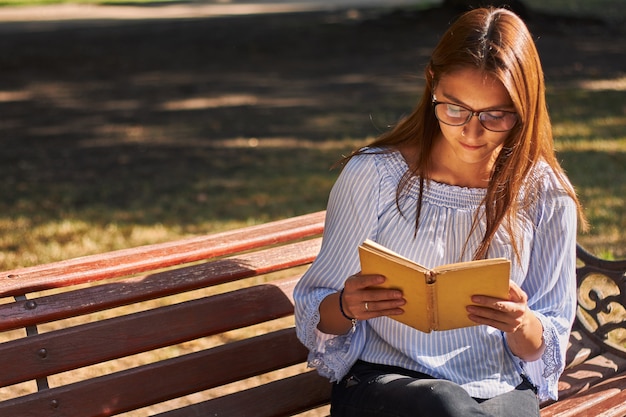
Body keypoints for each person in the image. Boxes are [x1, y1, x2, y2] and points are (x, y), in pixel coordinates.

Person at [294, 6, 587, 417]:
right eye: (454, 109)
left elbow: (549, 336)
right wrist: (345, 306)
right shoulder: (375, 175)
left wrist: (522, 324)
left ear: (525, 109)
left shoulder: (544, 192)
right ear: (432, 84)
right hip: (385, 381)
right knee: (444, 403)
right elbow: (314, 311)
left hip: (497, 385)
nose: (471, 132)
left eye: (495, 115)